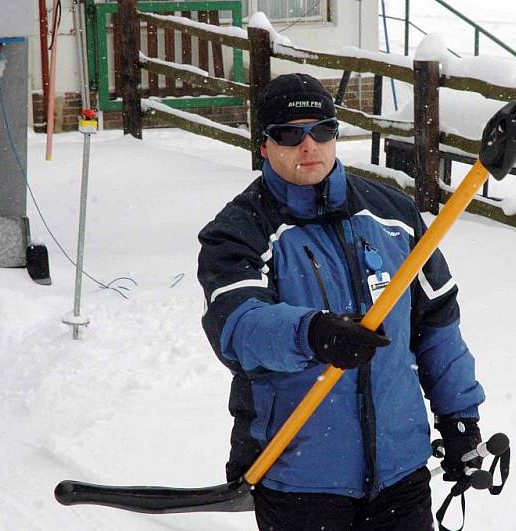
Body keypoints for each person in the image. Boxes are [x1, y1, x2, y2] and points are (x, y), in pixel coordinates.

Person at [197, 73, 485, 531]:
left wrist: (459, 419)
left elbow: (437, 328)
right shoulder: (239, 231)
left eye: (323, 130)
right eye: (290, 134)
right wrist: (312, 332)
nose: (309, 146)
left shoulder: (395, 216)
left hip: (401, 475)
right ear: (264, 146)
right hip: (299, 481)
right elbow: (240, 330)